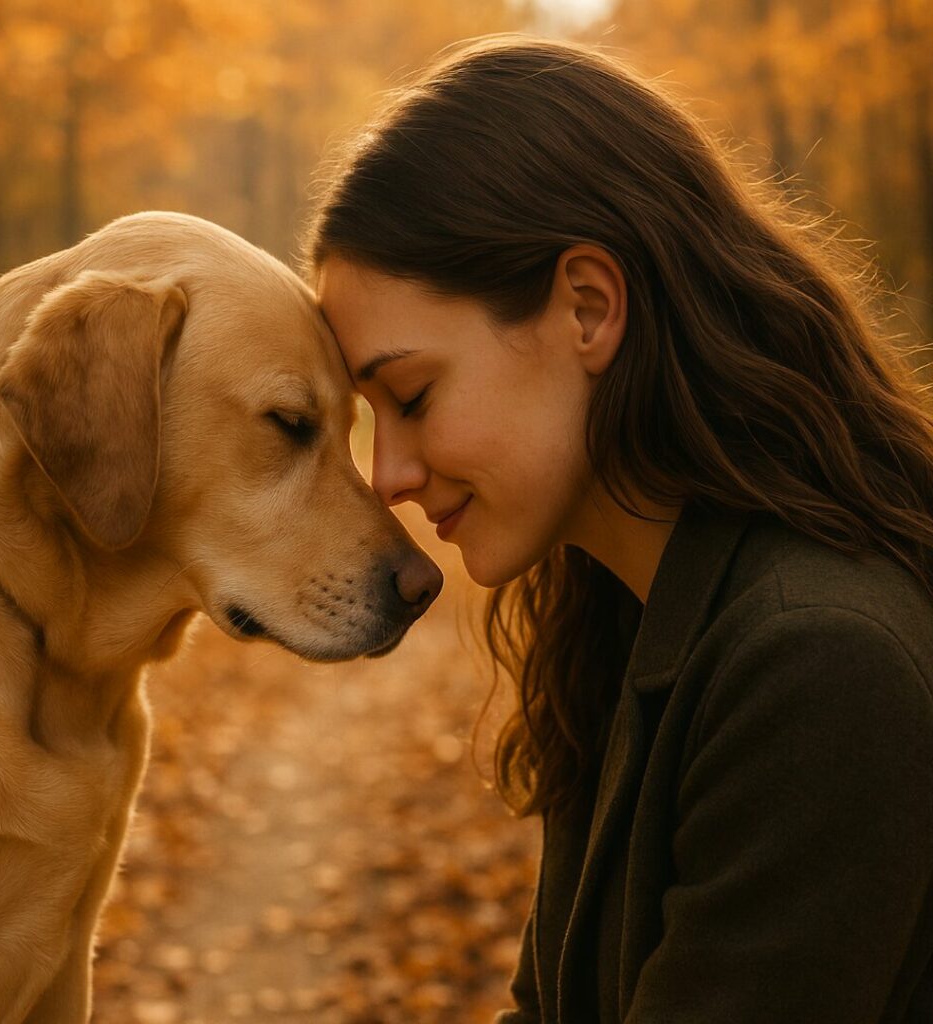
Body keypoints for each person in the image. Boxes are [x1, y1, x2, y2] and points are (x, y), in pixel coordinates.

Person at [304, 34, 933, 1024]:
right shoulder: (624, 615)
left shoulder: (817, 662)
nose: (386, 476)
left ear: (588, 308)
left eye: (413, 394)